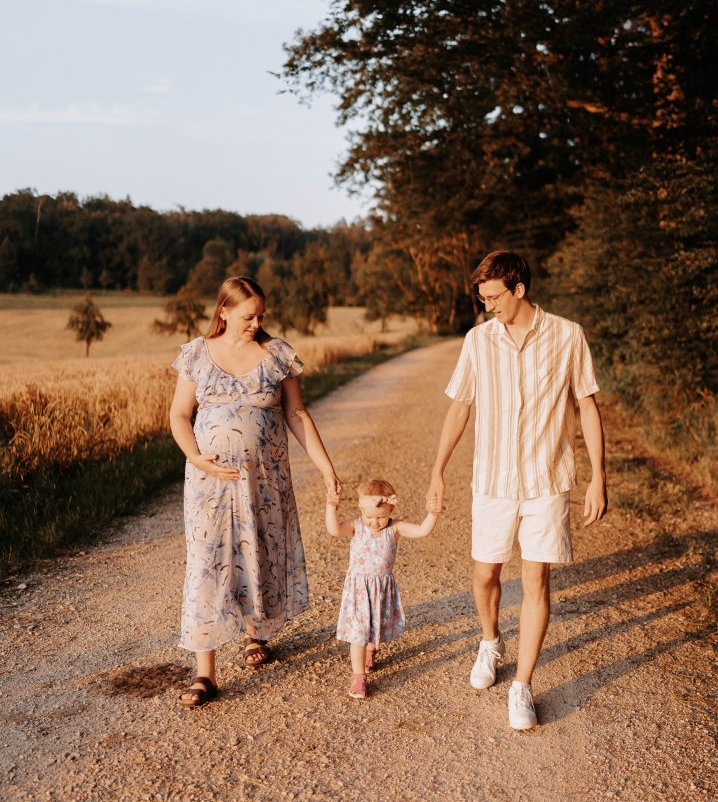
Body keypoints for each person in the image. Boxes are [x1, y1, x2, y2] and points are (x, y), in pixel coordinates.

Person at [427, 250, 607, 730]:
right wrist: (438, 472)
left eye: (493, 297)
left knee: (536, 582)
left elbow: (587, 406)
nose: (488, 306)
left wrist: (599, 476)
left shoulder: (568, 336)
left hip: (548, 480)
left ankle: (523, 685)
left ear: (518, 290)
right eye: (482, 298)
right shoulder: (478, 341)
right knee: (486, 574)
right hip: (493, 481)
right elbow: (460, 408)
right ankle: (490, 640)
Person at [169, 275, 341, 708]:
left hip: (265, 481)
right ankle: (205, 673)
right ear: (223, 311)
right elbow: (178, 415)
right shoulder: (197, 354)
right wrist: (196, 456)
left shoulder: (275, 354)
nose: (256, 322)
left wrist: (325, 468)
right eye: (248, 316)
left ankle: (255, 634)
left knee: (258, 554)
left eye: (261, 315)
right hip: (209, 485)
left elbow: (297, 414)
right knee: (207, 564)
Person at [327, 478, 439, 699]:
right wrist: (332, 506)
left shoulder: (395, 528)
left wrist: (433, 513)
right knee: (358, 633)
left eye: (380, 517)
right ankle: (358, 677)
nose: (374, 522)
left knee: (374, 626)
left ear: (391, 508)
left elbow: (422, 531)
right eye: (369, 516)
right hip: (358, 589)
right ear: (361, 510)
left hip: (380, 588)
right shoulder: (356, 525)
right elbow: (333, 530)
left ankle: (371, 650)